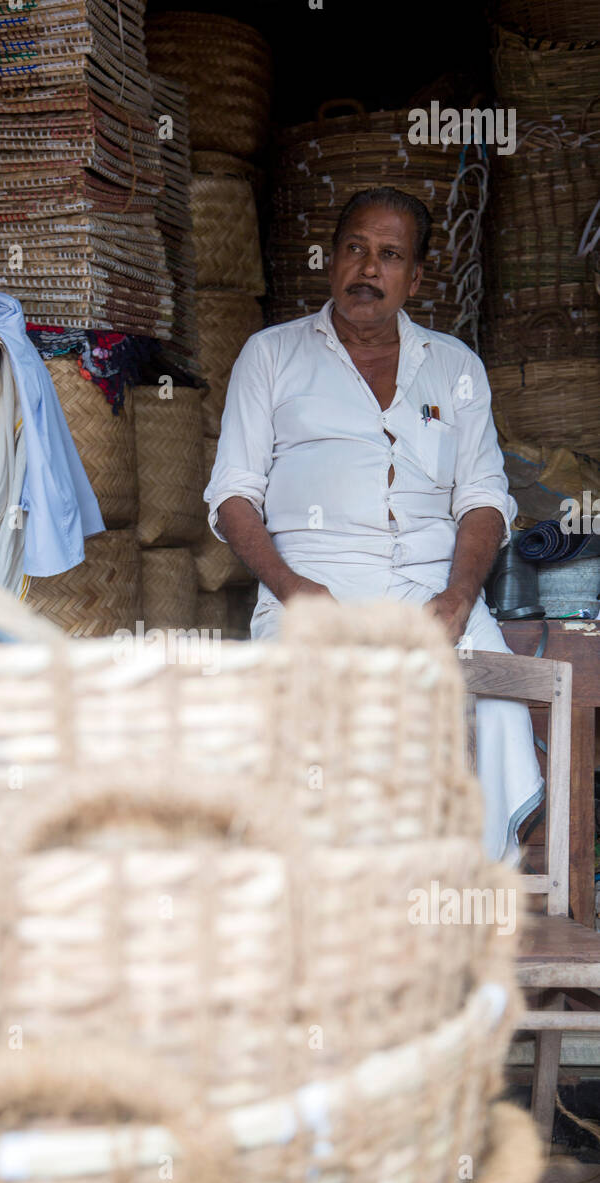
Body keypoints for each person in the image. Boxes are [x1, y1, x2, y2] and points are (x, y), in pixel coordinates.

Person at [204, 185, 543, 863]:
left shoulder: (454, 368)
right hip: (315, 587)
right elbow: (232, 498)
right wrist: (293, 589)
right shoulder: (271, 356)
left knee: (499, 692)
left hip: (432, 589)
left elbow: (482, 499)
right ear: (330, 261)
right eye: (355, 249)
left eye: (389, 255)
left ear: (414, 278)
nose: (367, 269)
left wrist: (459, 598)